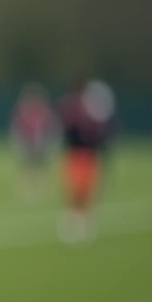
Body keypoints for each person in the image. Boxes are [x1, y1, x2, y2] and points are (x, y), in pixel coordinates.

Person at [57, 80, 111, 242]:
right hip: (75, 154)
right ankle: (73, 222)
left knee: (88, 191)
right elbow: (67, 132)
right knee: (74, 190)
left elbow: (100, 135)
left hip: (89, 155)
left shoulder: (94, 111)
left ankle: (86, 222)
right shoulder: (70, 110)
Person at [9, 82, 57, 203]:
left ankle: (39, 189)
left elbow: (50, 126)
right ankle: (25, 189)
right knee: (27, 166)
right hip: (26, 141)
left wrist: (49, 141)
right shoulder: (22, 111)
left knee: (39, 166)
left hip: (40, 142)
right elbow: (17, 127)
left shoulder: (44, 111)